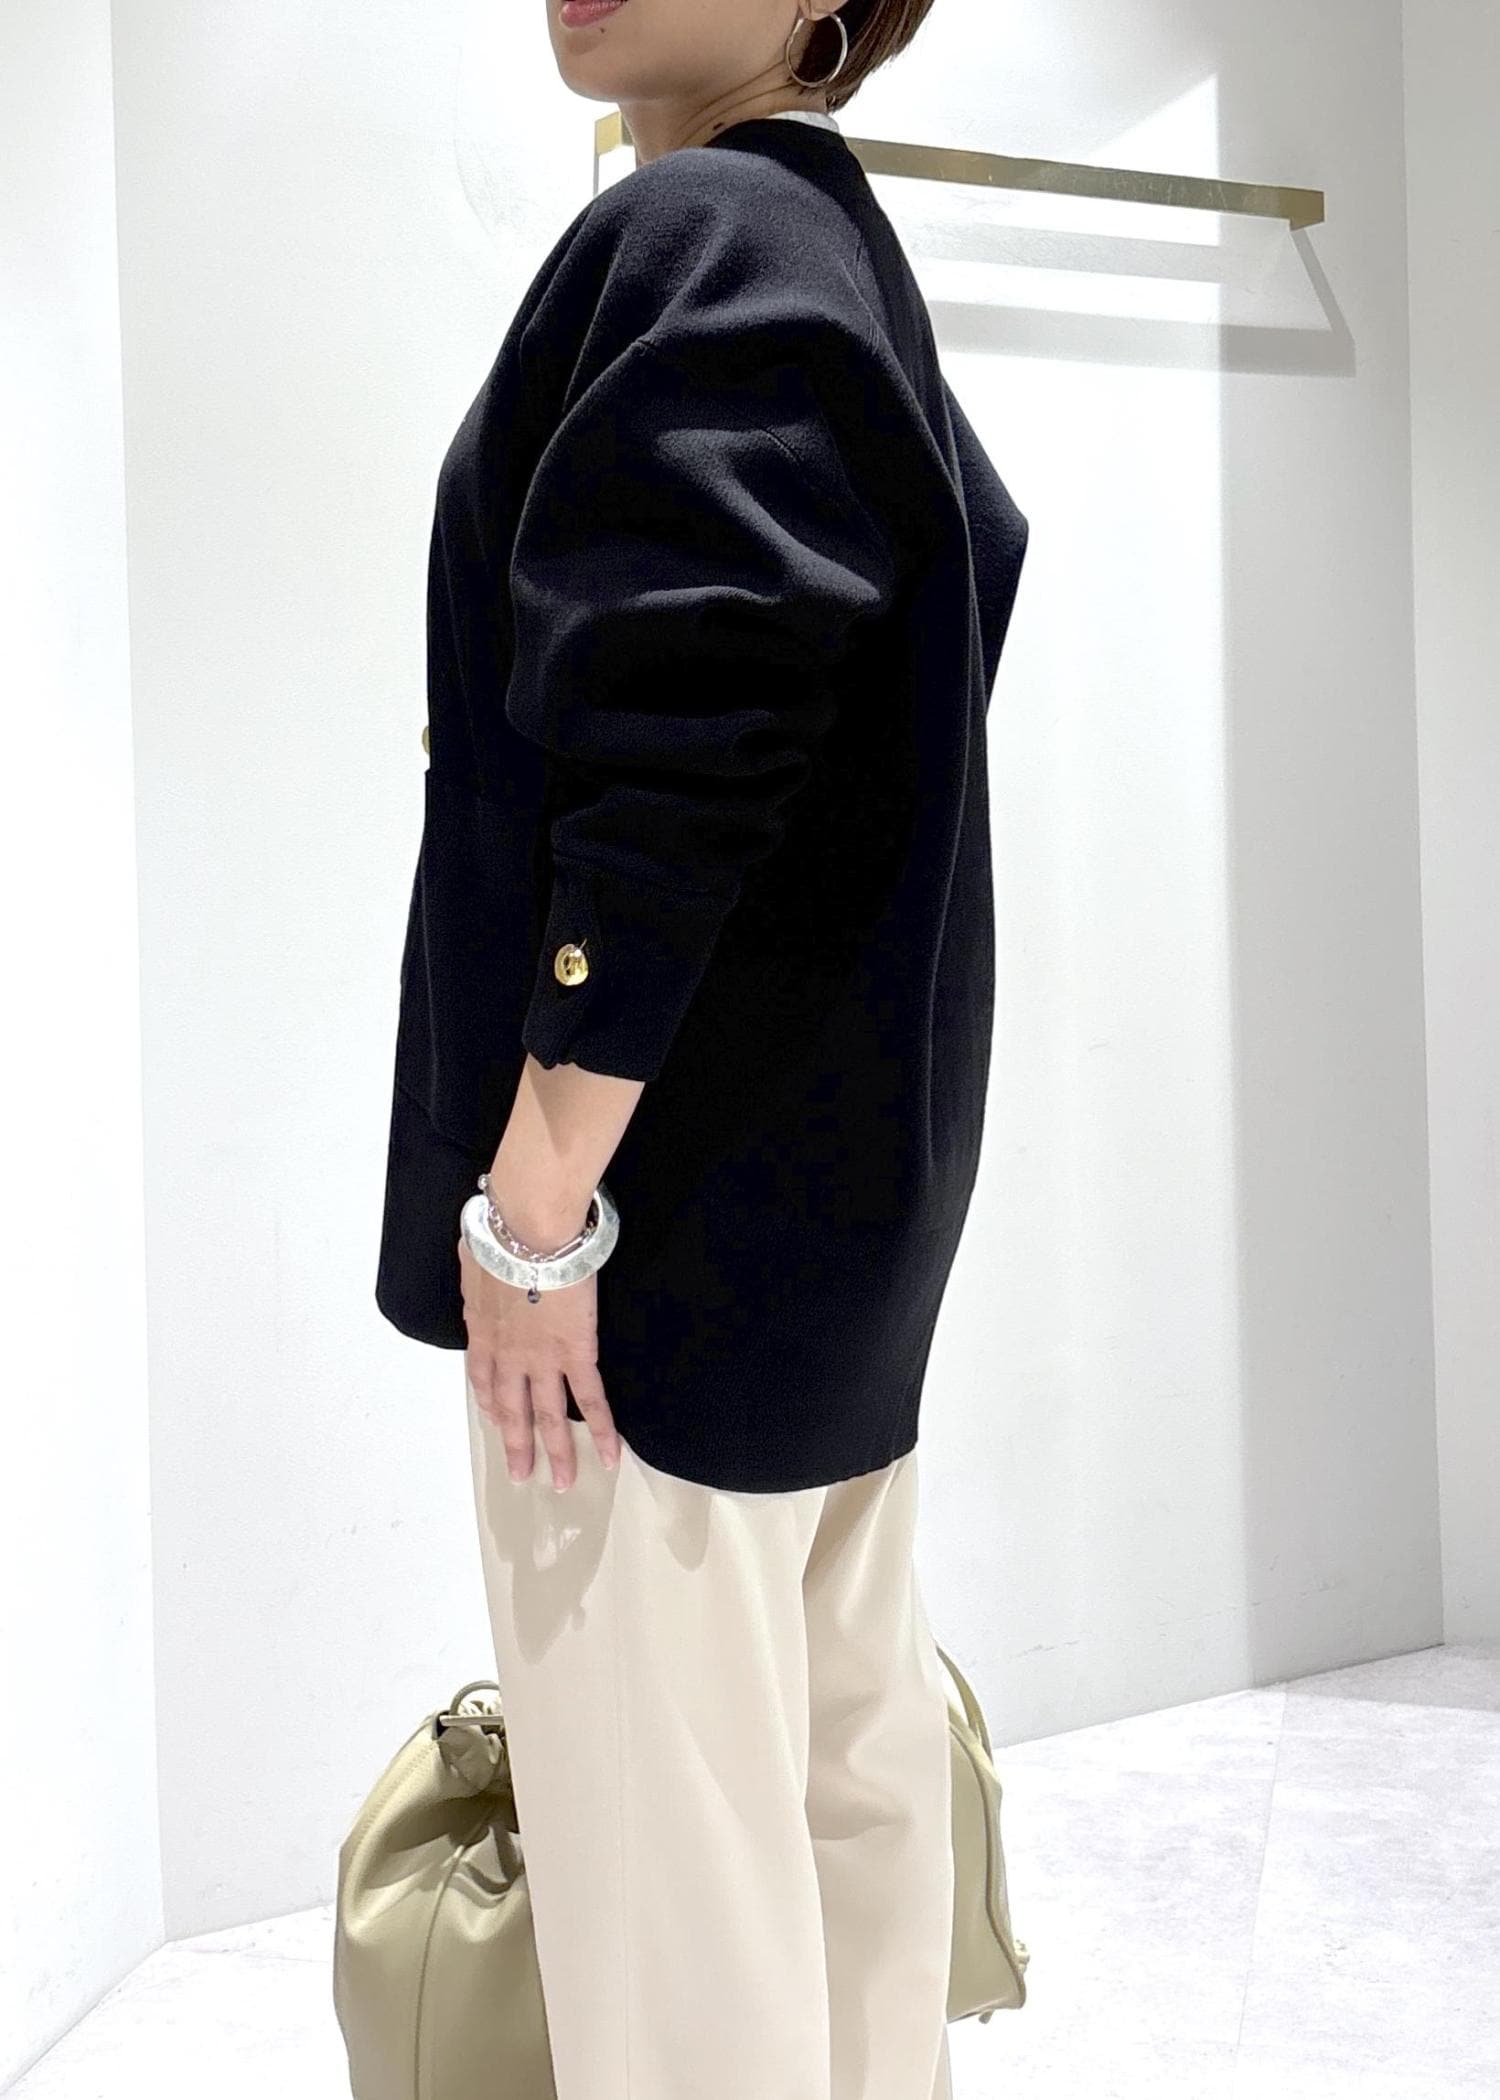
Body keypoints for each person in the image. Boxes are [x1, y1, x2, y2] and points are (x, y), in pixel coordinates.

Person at [374, 0, 1030, 2093]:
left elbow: (690, 752)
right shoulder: (834, 251)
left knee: (674, 1924)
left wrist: (538, 1205)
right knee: (844, 1831)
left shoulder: (704, 235)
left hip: (645, 1262)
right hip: (828, 1236)